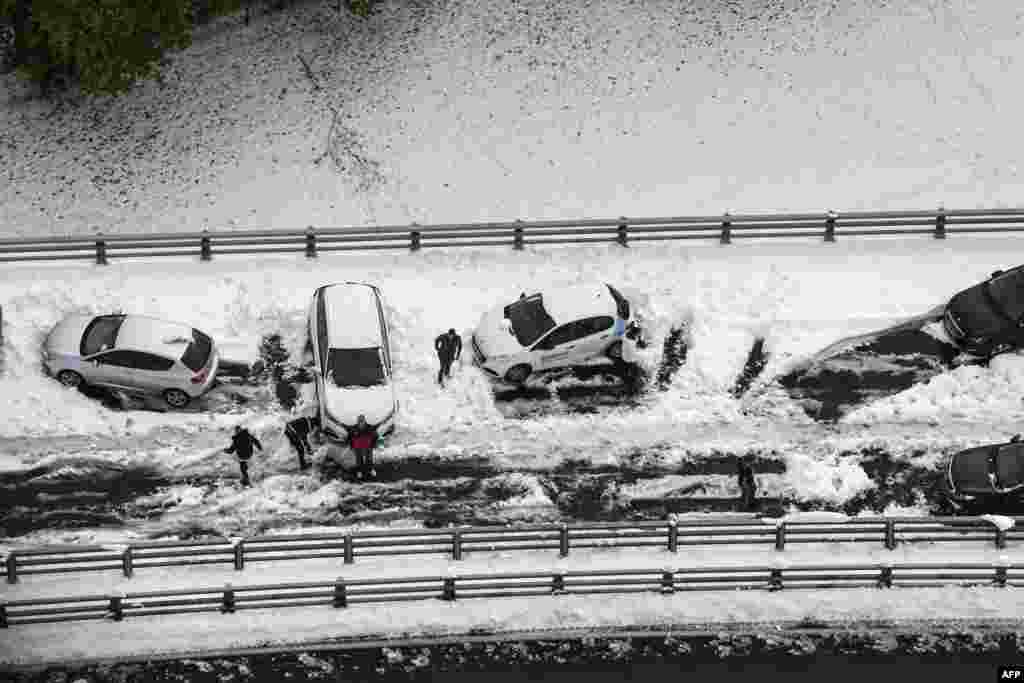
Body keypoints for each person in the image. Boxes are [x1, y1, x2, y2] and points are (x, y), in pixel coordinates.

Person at [348, 414, 379, 479]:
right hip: (358, 447)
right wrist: (351, 445)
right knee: (359, 460)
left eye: (362, 421)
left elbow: (376, 436)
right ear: (357, 422)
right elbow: (350, 438)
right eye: (359, 421)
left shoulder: (369, 427)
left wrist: (373, 444)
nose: (361, 423)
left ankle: (370, 470)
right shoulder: (354, 429)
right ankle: (359, 471)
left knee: (369, 458)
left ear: (365, 421)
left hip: (368, 446)